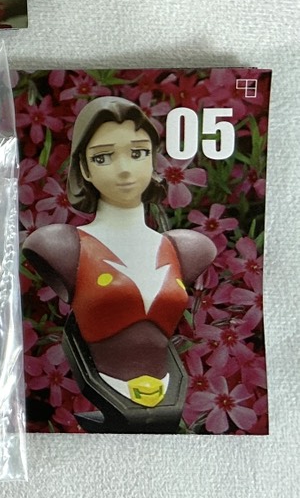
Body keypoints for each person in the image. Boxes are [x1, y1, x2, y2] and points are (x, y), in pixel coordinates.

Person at [23, 96, 215, 432]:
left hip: (167, 395)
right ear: (85, 169)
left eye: (138, 153)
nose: (124, 169)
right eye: (103, 157)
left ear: (153, 159)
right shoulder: (61, 246)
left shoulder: (188, 248)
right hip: (106, 390)